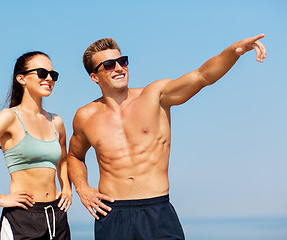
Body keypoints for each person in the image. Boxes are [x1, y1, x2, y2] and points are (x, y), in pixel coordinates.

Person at [67, 35, 267, 240]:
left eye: (122, 61)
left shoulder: (156, 95)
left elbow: (202, 76)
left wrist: (233, 51)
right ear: (95, 76)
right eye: (109, 65)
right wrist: (83, 189)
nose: (119, 68)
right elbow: (74, 156)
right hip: (111, 214)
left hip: (156, 211)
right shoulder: (85, 116)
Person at [0, 51, 72, 240]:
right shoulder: (9, 117)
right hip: (23, 218)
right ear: (21, 78)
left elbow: (63, 159)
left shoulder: (57, 122)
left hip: (57, 215)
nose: (49, 79)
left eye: (53, 75)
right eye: (42, 73)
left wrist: (67, 187)